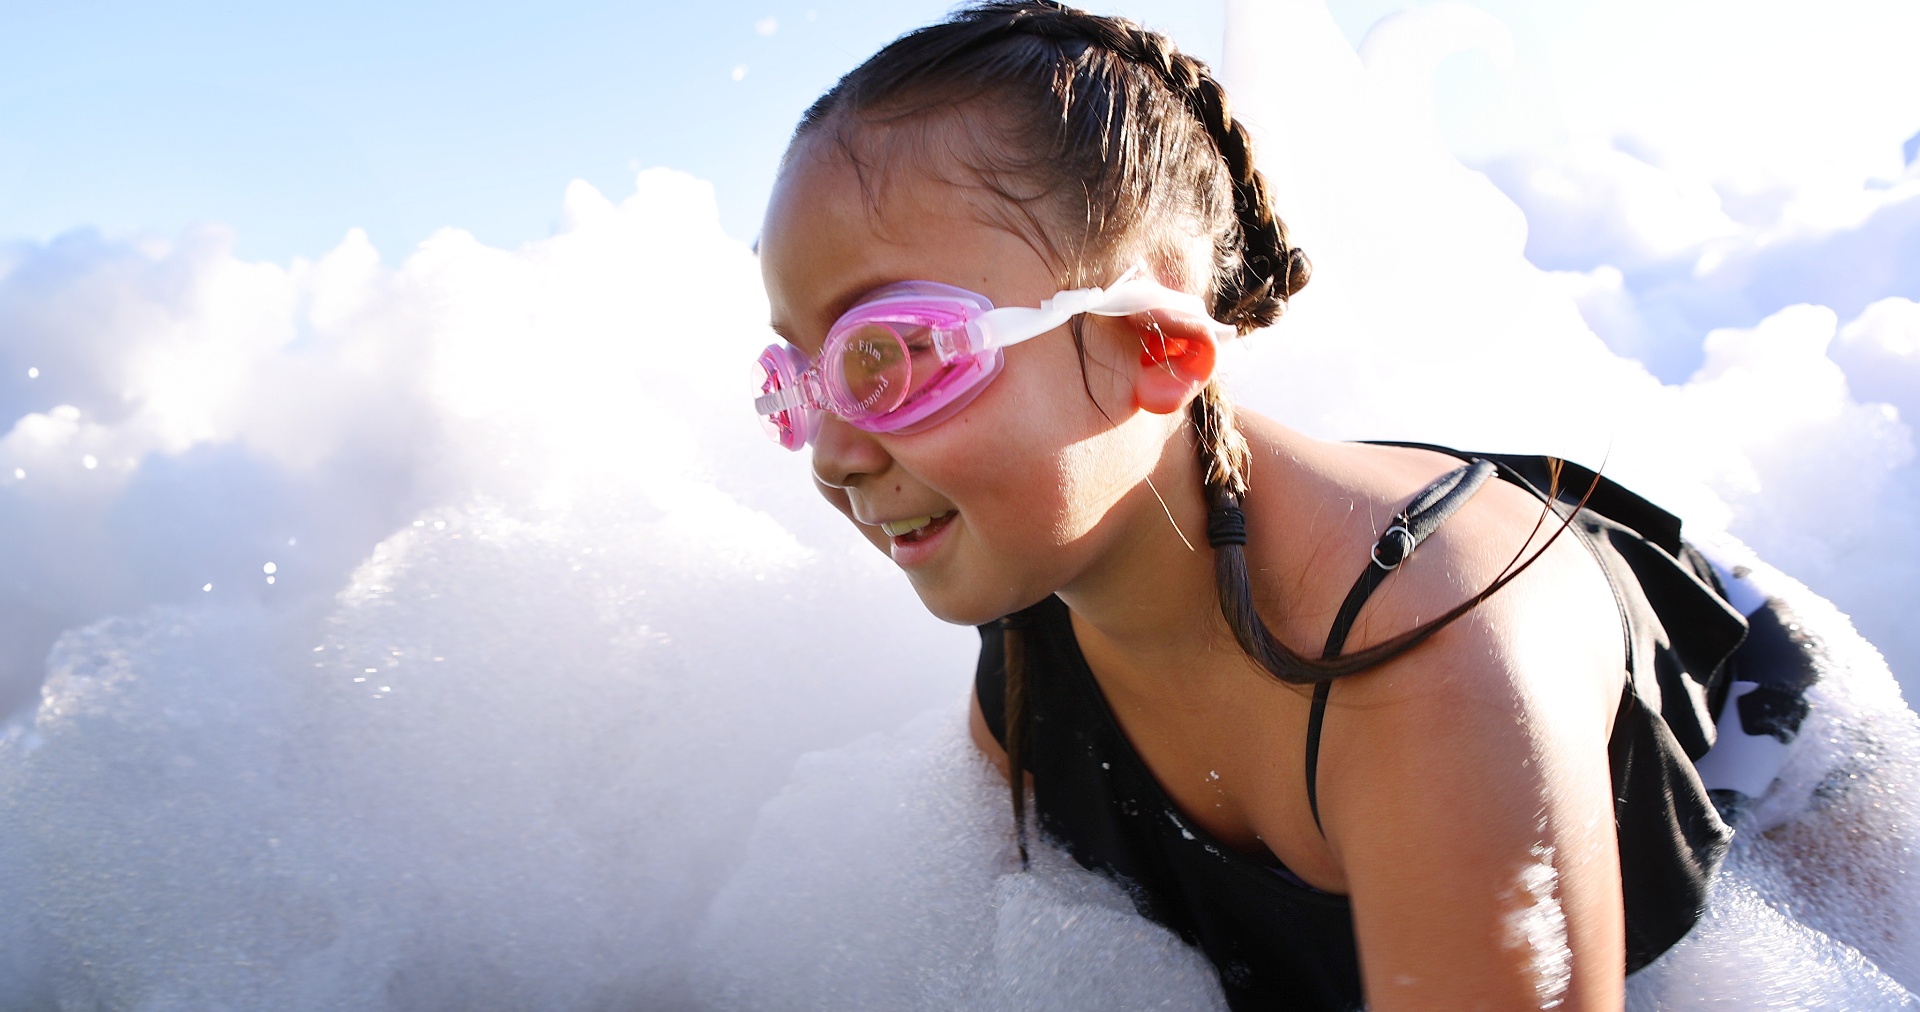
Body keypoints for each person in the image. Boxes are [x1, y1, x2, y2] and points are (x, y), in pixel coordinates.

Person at [750, 3, 1751, 1008]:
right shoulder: (1029, 667)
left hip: (1761, 737)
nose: (832, 456)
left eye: (893, 353)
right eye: (796, 380)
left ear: (1156, 344)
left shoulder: (1441, 656)